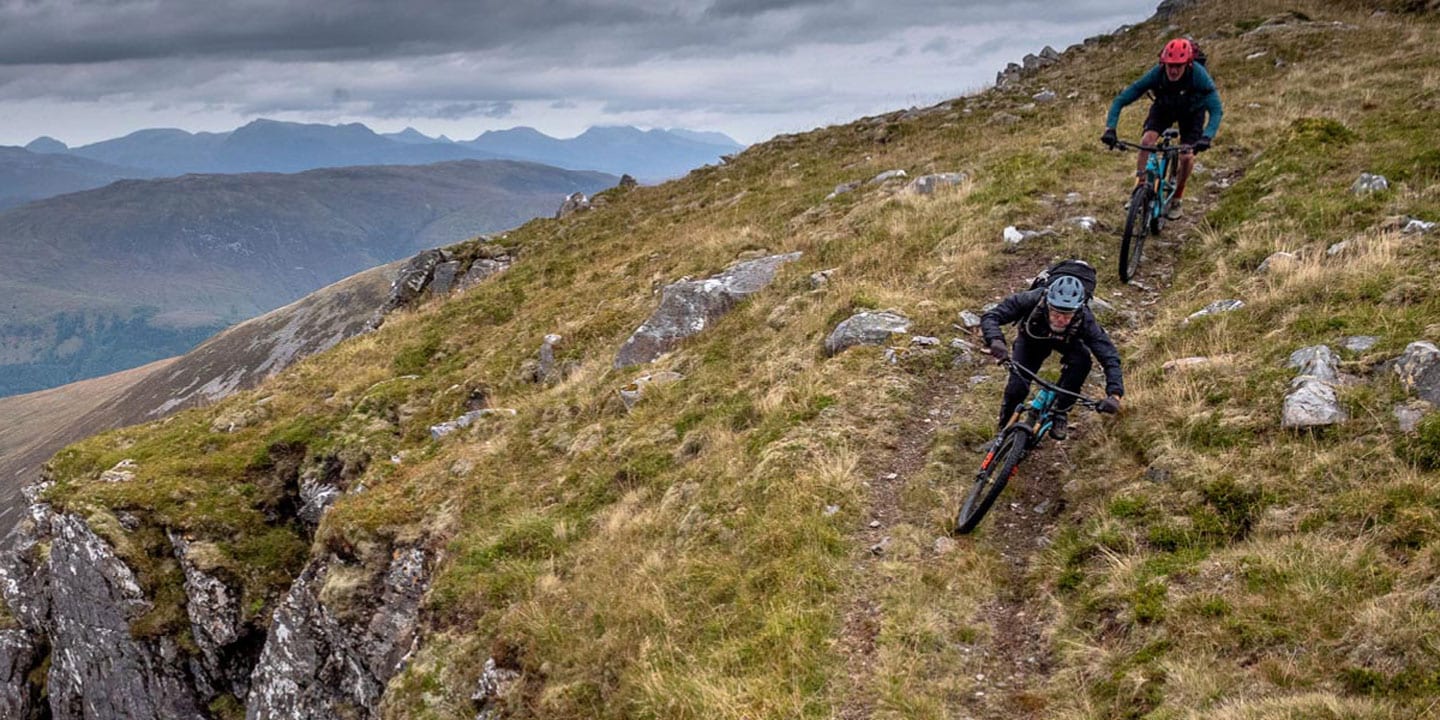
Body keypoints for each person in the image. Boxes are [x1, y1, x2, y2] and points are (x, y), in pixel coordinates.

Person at [980, 266, 1123, 441]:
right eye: (1056, 312)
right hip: (1031, 340)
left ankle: (1060, 413)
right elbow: (991, 316)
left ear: (1077, 311)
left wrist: (1114, 395)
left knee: (1082, 362)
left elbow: (1109, 356)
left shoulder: (1086, 320)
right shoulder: (1032, 299)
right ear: (1047, 304)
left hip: (1069, 343)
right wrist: (996, 341)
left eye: (1067, 315)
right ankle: (1003, 431)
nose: (1061, 320)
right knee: (1016, 387)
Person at [1101, 37, 1223, 220]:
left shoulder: (1198, 75)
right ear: (1163, 63)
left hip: (1192, 112)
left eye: (1178, 66)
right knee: (1146, 142)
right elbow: (1121, 99)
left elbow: (1216, 109)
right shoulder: (1156, 74)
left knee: (1187, 155)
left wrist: (1207, 136)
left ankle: (1177, 198)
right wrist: (1110, 128)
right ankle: (1139, 188)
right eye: (1169, 65)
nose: (1173, 70)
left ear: (1188, 64)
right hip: (1164, 108)